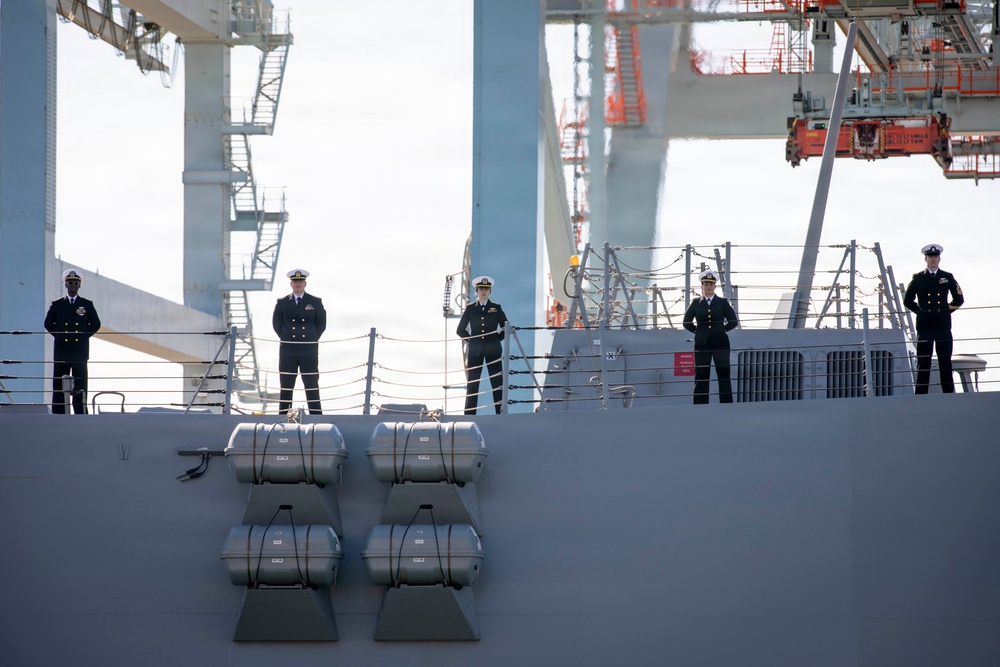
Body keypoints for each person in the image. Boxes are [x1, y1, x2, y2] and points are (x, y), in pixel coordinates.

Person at [903, 243, 964, 394]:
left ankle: (949, 394)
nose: (933, 259)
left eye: (935, 256)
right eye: (930, 256)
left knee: (945, 361)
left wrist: (945, 311)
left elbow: (959, 299)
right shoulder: (918, 278)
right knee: (923, 361)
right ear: (925, 259)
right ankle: (921, 396)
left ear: (939, 259)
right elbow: (907, 300)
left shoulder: (947, 277)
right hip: (925, 326)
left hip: (942, 325)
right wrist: (921, 312)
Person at [44, 269, 101, 414]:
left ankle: (80, 412)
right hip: (62, 350)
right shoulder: (57, 304)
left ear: (79, 285)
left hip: (79, 350)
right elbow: (48, 323)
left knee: (80, 384)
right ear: (66, 285)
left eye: (76, 283)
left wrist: (83, 336)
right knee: (59, 384)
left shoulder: (86, 304)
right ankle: (58, 412)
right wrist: (59, 335)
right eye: (70, 283)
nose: (73, 286)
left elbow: (95, 324)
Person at [272, 269, 327, 414]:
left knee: (311, 384)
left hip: (308, 350)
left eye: (300, 281)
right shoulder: (282, 302)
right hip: (288, 350)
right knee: (286, 385)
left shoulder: (315, 302)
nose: (298, 284)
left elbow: (321, 324)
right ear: (291, 284)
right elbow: (276, 324)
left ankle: (316, 416)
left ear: (305, 284)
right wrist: (287, 337)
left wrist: (311, 338)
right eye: (295, 282)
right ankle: (283, 415)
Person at [683, 269, 739, 405]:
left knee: (723, 374)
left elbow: (733, 321)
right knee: (701, 375)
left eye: (711, 284)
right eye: (706, 284)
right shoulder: (696, 303)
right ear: (701, 286)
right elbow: (686, 322)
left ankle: (726, 404)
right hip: (702, 344)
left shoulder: (722, 302)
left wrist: (722, 330)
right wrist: (698, 332)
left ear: (715, 286)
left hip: (721, 343)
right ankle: (700, 405)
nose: (708, 286)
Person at [456, 275, 508, 415]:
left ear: (490, 292)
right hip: (475, 351)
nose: (483, 291)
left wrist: (495, 339)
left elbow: (506, 328)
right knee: (472, 383)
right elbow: (460, 330)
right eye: (481, 289)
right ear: (476, 291)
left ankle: (500, 413)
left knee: (497, 382)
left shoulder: (496, 308)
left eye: (486, 289)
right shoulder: (470, 308)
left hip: (493, 350)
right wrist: (472, 340)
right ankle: (469, 415)